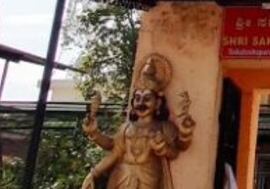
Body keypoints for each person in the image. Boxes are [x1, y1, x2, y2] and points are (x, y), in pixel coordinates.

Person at [82, 54, 196, 188]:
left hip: (148, 177)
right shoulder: (126, 128)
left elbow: (178, 149)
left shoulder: (164, 127)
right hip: (121, 176)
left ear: (158, 103)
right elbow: (114, 149)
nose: (141, 103)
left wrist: (181, 133)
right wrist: (94, 134)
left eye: (147, 98)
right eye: (137, 98)